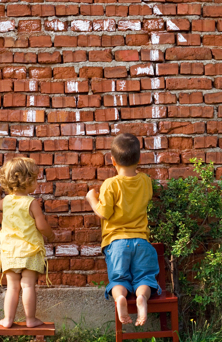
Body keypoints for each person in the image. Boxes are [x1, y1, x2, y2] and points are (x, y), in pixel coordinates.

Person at [86, 133, 161, 326]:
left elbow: (103, 212)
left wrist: (91, 198)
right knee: (145, 277)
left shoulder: (111, 184)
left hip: (117, 243)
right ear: (139, 159)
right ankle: (142, 298)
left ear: (112, 160)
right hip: (142, 241)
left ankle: (120, 298)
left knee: (119, 279)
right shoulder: (145, 181)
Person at [0, 157, 55, 328]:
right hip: (30, 252)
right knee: (27, 287)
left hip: (10, 252)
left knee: (12, 287)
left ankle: (8, 319)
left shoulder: (7, 201)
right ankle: (30, 319)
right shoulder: (31, 203)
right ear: (26, 181)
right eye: (34, 179)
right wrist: (51, 234)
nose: (36, 182)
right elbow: (41, 226)